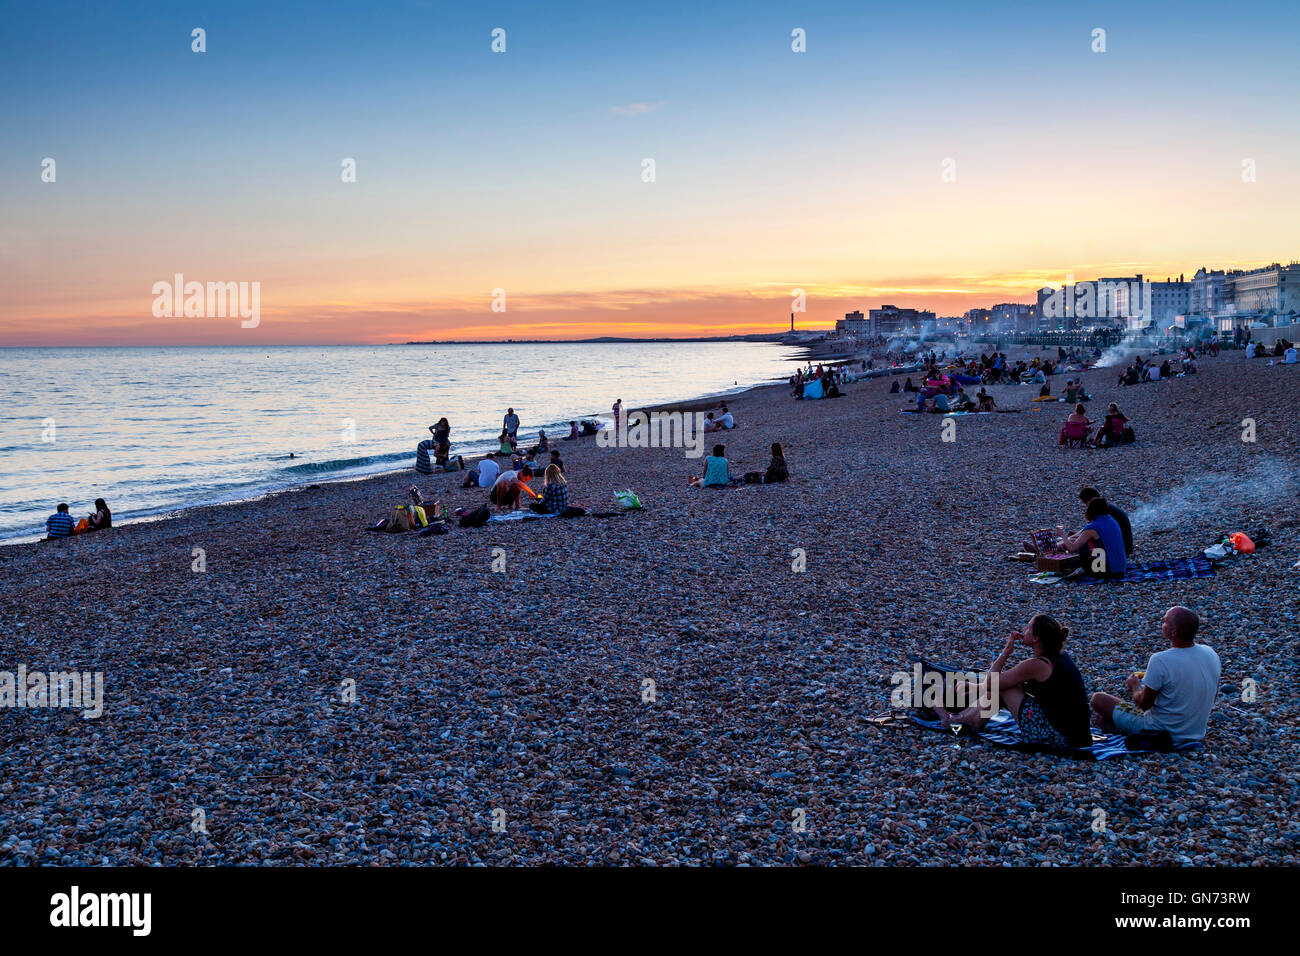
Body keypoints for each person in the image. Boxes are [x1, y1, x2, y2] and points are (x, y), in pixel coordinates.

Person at [934, 614, 1091, 749]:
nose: (1023, 630)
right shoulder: (1060, 659)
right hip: (1078, 737)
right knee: (1006, 684)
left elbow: (992, 683)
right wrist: (977, 687)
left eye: (1028, 628)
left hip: (1058, 738)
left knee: (1003, 687)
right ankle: (965, 718)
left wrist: (1006, 651)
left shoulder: (1036, 665)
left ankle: (960, 719)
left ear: (1036, 638)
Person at [1089, 606, 1220, 745]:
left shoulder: (1160, 660)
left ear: (1173, 632)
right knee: (1105, 716)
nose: (1162, 620)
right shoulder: (1210, 653)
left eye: (1165, 621)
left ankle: (1123, 730)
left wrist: (1135, 687)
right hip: (1196, 732)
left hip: (1161, 732)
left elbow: (1144, 705)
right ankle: (1115, 726)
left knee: (1098, 700)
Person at [1063, 496, 1127, 578]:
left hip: (1109, 571)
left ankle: (1083, 569)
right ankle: (1084, 568)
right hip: (1121, 568)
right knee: (1092, 545)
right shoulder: (1113, 521)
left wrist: (1062, 534)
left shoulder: (1093, 527)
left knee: (1080, 554)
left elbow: (1072, 548)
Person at [1079, 487, 1133, 556]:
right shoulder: (1106, 509)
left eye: (1085, 503)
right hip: (1124, 546)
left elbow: (1093, 530)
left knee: (1083, 547)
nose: (1086, 506)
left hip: (1121, 548)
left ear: (1090, 501)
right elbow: (1092, 528)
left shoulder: (1102, 511)